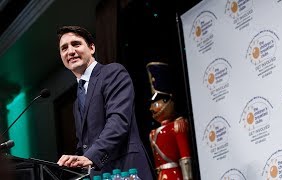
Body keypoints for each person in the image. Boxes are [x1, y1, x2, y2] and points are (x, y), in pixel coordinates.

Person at [56, 25, 153, 179]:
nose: (70, 51)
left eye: (76, 44)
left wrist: (91, 156)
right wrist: (73, 162)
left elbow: (118, 121)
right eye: (64, 48)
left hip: (127, 169)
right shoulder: (77, 101)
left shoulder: (112, 72)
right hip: (101, 175)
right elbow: (85, 144)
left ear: (92, 48)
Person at [146, 62, 193, 180]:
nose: (152, 108)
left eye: (156, 103)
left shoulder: (177, 125)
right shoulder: (152, 134)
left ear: (168, 101)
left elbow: (185, 157)